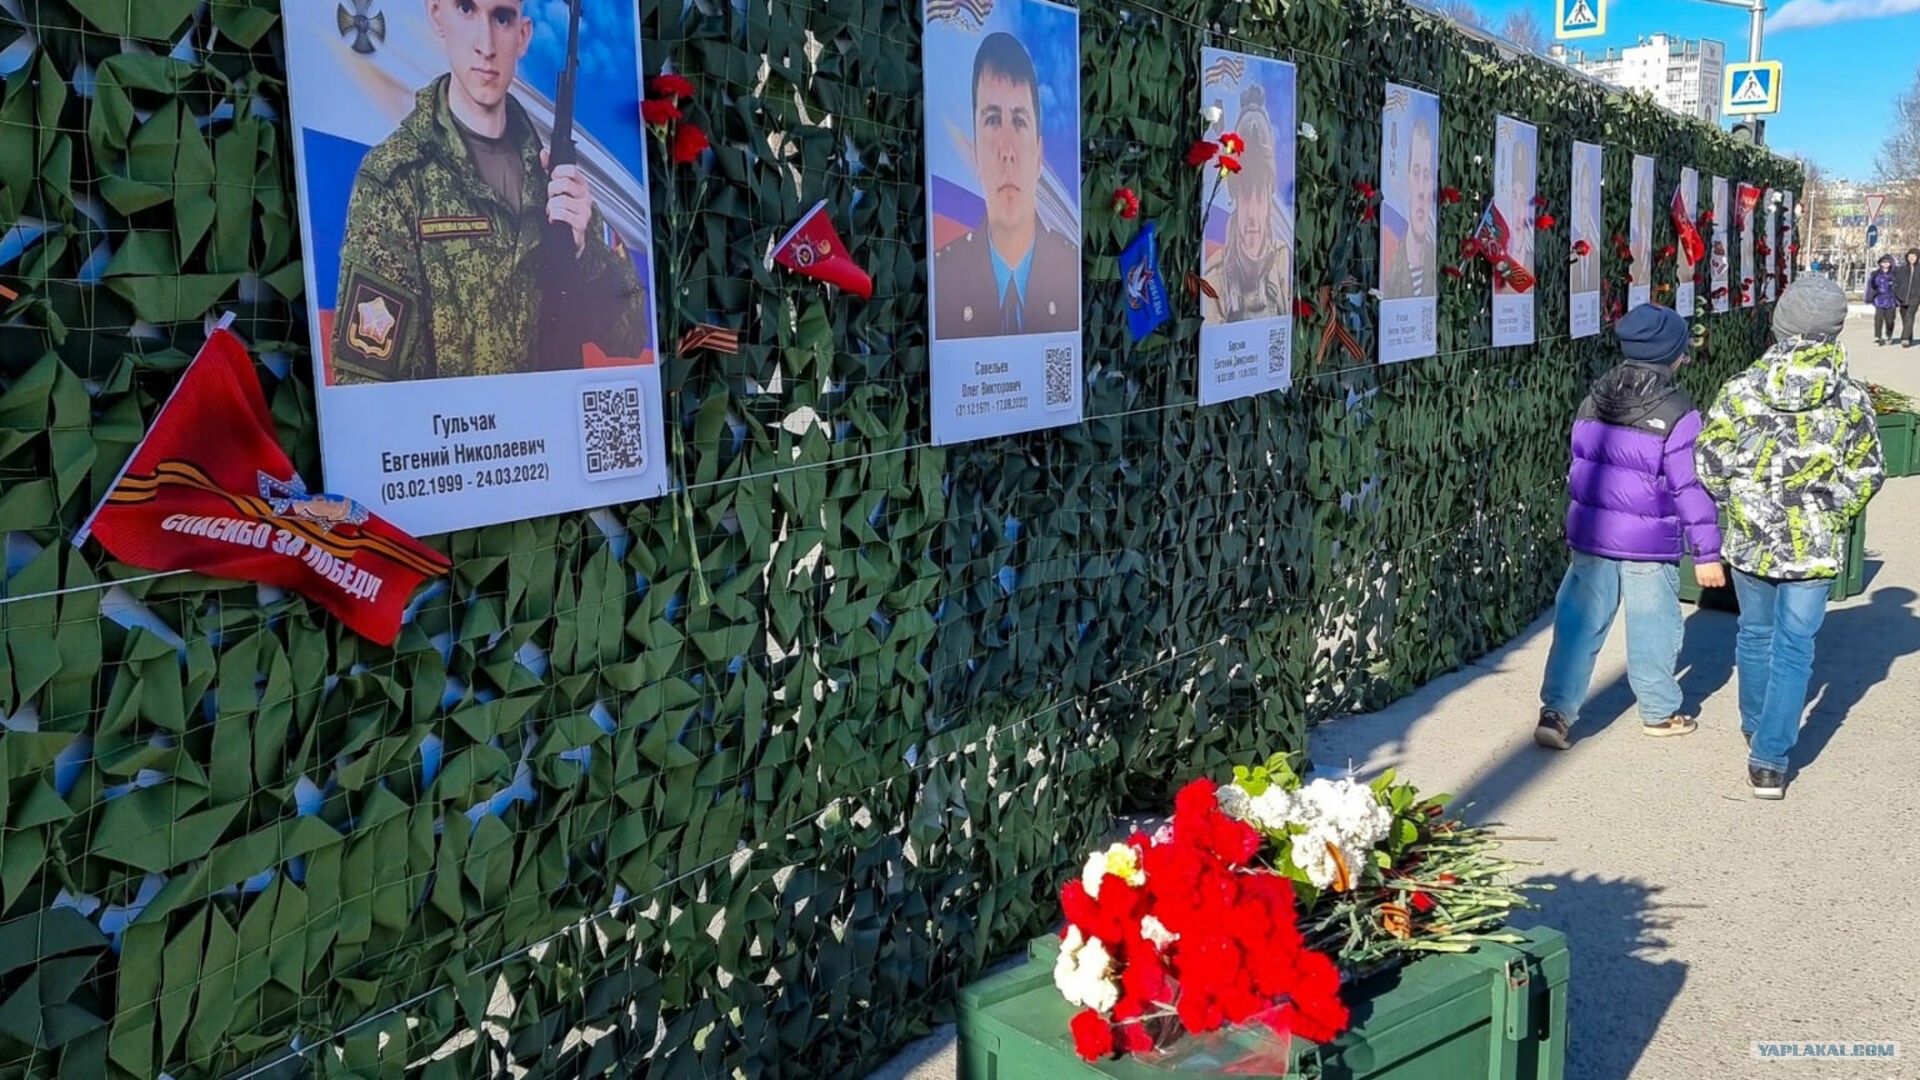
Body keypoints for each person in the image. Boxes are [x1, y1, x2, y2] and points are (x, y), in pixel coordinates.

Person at [330, 0, 648, 384]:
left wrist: (585, 254)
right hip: (454, 424)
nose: (486, 45)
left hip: (553, 421)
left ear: (523, 35)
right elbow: (364, 379)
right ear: (437, 15)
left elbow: (630, 336)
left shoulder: (555, 180)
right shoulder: (397, 180)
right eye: (466, 8)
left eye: (502, 17)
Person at [1695, 275, 1884, 799]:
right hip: (1813, 545)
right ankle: (1770, 761)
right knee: (1795, 647)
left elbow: (1709, 460)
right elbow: (1868, 469)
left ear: (1780, 325)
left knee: (1755, 634)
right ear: (1834, 330)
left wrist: (1740, 499)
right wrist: (1829, 510)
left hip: (1752, 538)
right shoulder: (1850, 397)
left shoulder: (1741, 388)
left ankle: (1755, 725)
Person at [1536, 303, 1723, 750]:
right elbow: (1689, 487)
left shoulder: (1594, 397)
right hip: (1649, 541)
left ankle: (1556, 712)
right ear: (1674, 355)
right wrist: (1707, 552)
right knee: (1653, 624)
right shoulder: (1679, 412)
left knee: (1578, 622)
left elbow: (1580, 462)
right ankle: (1658, 711)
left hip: (1593, 534)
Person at [933, 31, 1078, 339]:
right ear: (976, 153)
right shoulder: (943, 276)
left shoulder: (1071, 268)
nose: (1007, 151)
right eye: (992, 120)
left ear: (1039, 156)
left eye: (1020, 121)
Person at [1202, 83, 1292, 324]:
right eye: (1245, 195)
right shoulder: (1214, 278)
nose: (1252, 214)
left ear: (1269, 201)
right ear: (1235, 199)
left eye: (1260, 196)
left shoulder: (1283, 261)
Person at [1381, 114, 1436, 300]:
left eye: (1426, 175)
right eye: (1416, 172)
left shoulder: (1435, 262)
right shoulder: (1390, 263)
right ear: (1407, 181)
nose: (1421, 190)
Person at [1866, 254, 1899, 345]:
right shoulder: (1875, 274)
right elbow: (1871, 286)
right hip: (1879, 300)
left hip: (1891, 301)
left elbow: (1899, 286)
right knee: (1878, 320)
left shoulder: (1895, 274)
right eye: (1883, 262)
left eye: (1887, 262)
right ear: (1880, 263)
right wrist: (1870, 296)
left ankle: (1889, 335)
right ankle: (1878, 337)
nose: (1885, 264)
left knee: (1890, 321)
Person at [1895, 247, 1920, 347]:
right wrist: (1897, 292)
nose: (1912, 258)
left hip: (1915, 298)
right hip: (1902, 298)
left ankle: (1905, 338)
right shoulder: (1901, 269)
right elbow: (1895, 281)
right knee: (1905, 318)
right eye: (1910, 256)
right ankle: (1909, 336)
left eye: (1914, 256)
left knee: (1909, 316)